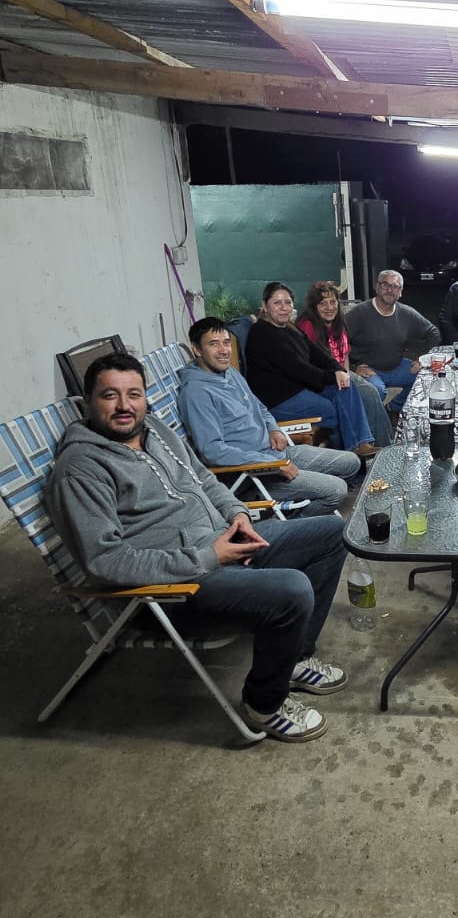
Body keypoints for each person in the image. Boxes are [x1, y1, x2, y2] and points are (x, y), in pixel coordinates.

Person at [47, 352, 349, 742]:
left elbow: (204, 479)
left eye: (134, 394)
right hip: (171, 591)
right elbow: (104, 560)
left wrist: (238, 513)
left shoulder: (156, 431)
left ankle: (294, 658)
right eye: (110, 395)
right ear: (88, 401)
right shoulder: (80, 469)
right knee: (293, 590)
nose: (124, 406)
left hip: (223, 544)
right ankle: (264, 704)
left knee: (332, 533)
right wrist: (208, 557)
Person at [178, 315, 363, 510]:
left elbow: (260, 407)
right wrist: (269, 464)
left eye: (226, 342)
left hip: (274, 453)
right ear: (197, 349)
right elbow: (212, 451)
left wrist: (274, 429)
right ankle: (297, 526)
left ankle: (307, 504)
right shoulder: (196, 393)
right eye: (214, 344)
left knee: (352, 462)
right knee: (337, 490)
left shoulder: (230, 373)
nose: (224, 350)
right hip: (253, 474)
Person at [246, 282, 377, 459]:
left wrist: (338, 370)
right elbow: (299, 370)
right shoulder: (262, 333)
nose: (284, 308)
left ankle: (360, 445)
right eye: (277, 303)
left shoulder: (289, 328)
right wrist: (332, 376)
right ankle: (342, 462)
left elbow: (318, 355)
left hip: (300, 388)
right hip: (278, 401)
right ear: (265, 306)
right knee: (328, 409)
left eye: (288, 302)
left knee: (345, 388)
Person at [296, 281, 393, 448]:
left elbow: (345, 354)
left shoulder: (338, 322)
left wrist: (347, 374)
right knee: (366, 393)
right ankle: (372, 445)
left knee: (372, 391)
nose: (329, 307)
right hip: (323, 377)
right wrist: (341, 377)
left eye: (333, 302)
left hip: (342, 372)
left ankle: (384, 444)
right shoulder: (307, 325)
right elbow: (309, 364)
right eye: (323, 303)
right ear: (314, 307)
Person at [345, 269, 440, 411]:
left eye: (395, 286)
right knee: (375, 391)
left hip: (397, 366)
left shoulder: (406, 313)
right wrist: (352, 369)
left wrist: (423, 359)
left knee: (427, 378)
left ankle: (393, 408)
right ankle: (374, 419)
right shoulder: (359, 313)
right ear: (377, 287)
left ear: (400, 292)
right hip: (369, 369)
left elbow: (433, 333)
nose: (390, 290)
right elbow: (336, 341)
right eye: (385, 285)